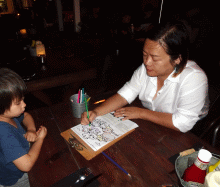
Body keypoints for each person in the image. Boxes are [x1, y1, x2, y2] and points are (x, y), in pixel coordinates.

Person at [81, 21, 209, 133]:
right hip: (153, 126)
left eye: (155, 58)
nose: (147, 62)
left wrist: (141, 113)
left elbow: (183, 123)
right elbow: (126, 93)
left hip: (185, 134)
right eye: (144, 54)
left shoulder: (194, 78)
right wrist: (97, 112)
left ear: (177, 59)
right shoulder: (146, 69)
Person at [0, 68, 47, 186]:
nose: (24, 104)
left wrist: (31, 129)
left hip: (12, 165)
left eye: (22, 99)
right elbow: (26, 165)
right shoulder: (3, 133)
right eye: (18, 103)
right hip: (14, 179)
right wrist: (40, 139)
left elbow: (26, 115)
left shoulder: (0, 116)